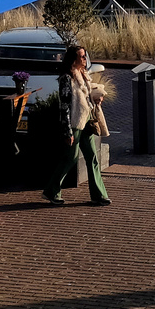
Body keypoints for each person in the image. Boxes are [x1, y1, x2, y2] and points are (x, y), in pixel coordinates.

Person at [43, 44, 110, 206]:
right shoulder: (67, 78)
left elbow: (86, 95)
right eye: (81, 56)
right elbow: (64, 106)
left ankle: (99, 194)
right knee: (70, 158)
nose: (84, 59)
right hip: (74, 122)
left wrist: (96, 98)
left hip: (86, 120)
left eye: (84, 55)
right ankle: (51, 191)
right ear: (73, 59)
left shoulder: (83, 73)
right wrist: (67, 131)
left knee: (92, 156)